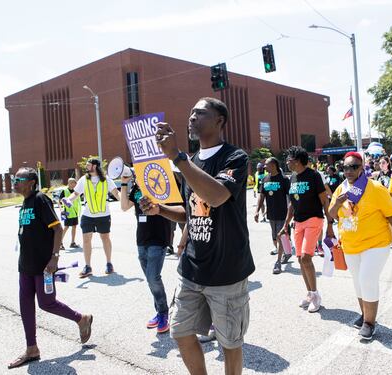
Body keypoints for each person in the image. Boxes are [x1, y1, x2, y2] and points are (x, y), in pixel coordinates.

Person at [139, 97, 255, 375]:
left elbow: (215, 197)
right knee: (180, 332)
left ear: (219, 121)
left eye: (200, 113)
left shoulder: (234, 158)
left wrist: (178, 158)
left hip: (227, 270)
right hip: (192, 268)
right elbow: (192, 212)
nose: (192, 117)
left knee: (230, 343)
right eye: (191, 113)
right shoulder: (190, 162)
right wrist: (159, 209)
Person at [8, 167, 93, 369]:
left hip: (43, 265)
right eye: (14, 178)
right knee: (25, 305)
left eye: (18, 179)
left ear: (30, 182)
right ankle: (32, 348)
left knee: (46, 303)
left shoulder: (39, 199)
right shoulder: (25, 202)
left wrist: (54, 258)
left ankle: (81, 319)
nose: (14, 182)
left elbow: (57, 228)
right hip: (25, 266)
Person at [329, 152, 392, 340]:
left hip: (376, 243)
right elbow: (331, 214)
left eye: (353, 167)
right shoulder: (341, 189)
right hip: (351, 244)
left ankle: (370, 323)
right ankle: (365, 315)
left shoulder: (376, 188)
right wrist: (337, 203)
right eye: (345, 167)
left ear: (362, 167)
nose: (349, 171)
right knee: (357, 281)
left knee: (367, 279)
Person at [281, 145, 334, 313]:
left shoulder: (314, 175)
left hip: (314, 219)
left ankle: (316, 295)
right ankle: (310, 294)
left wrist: (330, 224)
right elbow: (292, 204)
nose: (287, 162)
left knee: (305, 257)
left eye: (289, 159)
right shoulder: (292, 178)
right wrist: (285, 225)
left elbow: (324, 200)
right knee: (300, 259)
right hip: (298, 222)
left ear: (297, 160)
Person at [119, 174, 171, 334]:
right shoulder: (136, 188)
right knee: (151, 280)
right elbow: (124, 206)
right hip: (141, 239)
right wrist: (123, 184)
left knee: (153, 277)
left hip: (158, 238)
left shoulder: (160, 184)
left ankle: (163, 313)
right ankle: (159, 311)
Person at [63, 158, 121, 278]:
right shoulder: (83, 180)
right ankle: (88, 266)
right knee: (86, 240)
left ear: (95, 166)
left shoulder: (106, 180)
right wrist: (69, 200)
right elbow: (76, 193)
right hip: (87, 215)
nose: (86, 167)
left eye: (88, 165)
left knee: (105, 238)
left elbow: (116, 193)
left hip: (103, 215)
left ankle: (109, 263)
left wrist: (125, 201)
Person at [255, 157, 290, 274]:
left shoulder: (284, 179)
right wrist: (257, 210)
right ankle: (287, 251)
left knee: (280, 237)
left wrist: (292, 214)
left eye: (267, 165)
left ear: (274, 165)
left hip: (283, 214)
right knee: (275, 237)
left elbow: (290, 197)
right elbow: (262, 196)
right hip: (271, 214)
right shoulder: (265, 179)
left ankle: (278, 262)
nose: (265, 167)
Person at [58, 178, 81, 250]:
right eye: (74, 183)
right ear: (70, 183)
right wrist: (61, 210)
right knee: (66, 227)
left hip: (74, 212)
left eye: (75, 183)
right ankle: (59, 243)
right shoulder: (64, 191)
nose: (75, 184)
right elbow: (59, 202)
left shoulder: (76, 191)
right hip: (66, 212)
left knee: (74, 226)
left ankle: (72, 242)